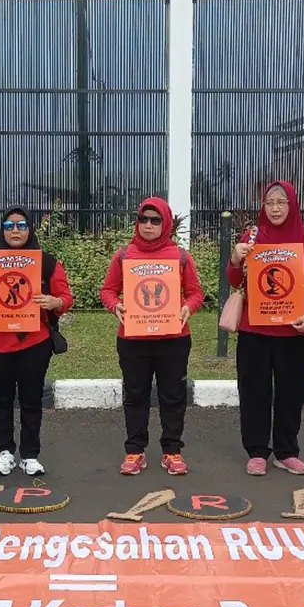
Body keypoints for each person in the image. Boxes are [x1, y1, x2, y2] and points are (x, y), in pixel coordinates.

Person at [226, 181, 304, 476]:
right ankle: (257, 452)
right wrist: (235, 259)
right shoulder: (252, 236)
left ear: (292, 204)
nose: (275, 208)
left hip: (294, 331)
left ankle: (286, 451)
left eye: (281, 202)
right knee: (253, 392)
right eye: (269, 203)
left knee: (291, 393)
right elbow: (235, 281)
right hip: (255, 330)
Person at [0, 206, 75, 476]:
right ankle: (4, 452)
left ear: (30, 230)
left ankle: (30, 455)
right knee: (0, 400)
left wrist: (55, 302)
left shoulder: (46, 263)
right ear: (2, 231)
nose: (15, 230)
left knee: (31, 399)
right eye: (9, 225)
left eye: (22, 225)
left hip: (34, 342)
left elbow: (66, 298)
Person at [99, 198, 205, 476]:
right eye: (143, 219)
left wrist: (188, 307)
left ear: (165, 223)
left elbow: (196, 293)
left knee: (173, 396)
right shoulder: (124, 255)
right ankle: (135, 450)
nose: (148, 225)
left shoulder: (180, 256)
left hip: (173, 338)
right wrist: (115, 306)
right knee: (135, 395)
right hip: (133, 339)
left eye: (155, 220)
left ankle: (172, 451)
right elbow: (108, 290)